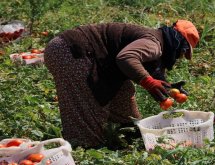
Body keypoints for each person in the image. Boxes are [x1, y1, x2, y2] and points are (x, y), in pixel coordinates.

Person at [44, 19, 200, 149]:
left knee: (124, 96)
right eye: (182, 52)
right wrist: (148, 82)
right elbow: (126, 58)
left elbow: (150, 73)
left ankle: (129, 137)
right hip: (71, 52)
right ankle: (84, 151)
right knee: (85, 111)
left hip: (89, 57)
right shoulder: (154, 44)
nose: (179, 57)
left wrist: (170, 88)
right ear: (178, 44)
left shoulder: (156, 41)